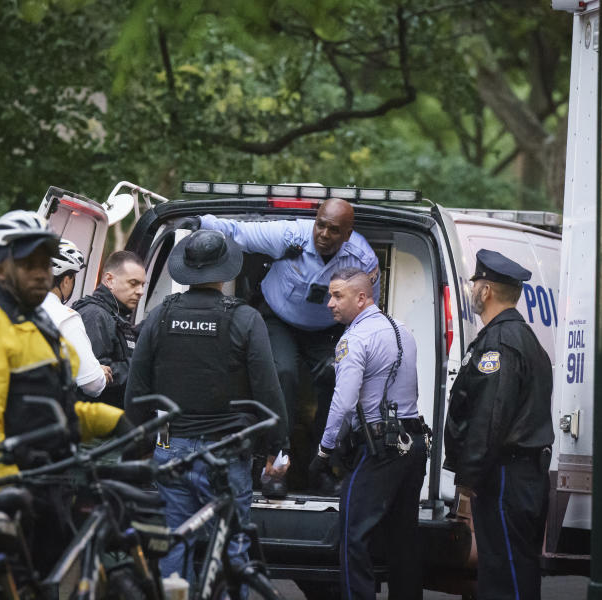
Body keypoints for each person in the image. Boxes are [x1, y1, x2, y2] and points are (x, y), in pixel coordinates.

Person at [124, 229, 289, 584]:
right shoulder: (246, 320)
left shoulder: (159, 316)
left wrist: (137, 446)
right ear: (226, 271)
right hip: (226, 450)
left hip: (169, 445)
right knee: (231, 548)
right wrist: (279, 446)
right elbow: (267, 388)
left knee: (173, 542)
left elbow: (137, 388)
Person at [188, 198, 380, 494]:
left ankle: (324, 466)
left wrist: (353, 349)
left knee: (340, 379)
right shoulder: (292, 235)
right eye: (321, 225)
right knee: (285, 374)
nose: (324, 235)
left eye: (334, 230)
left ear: (348, 233)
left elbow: (365, 312)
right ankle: (276, 463)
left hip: (325, 330)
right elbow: (239, 232)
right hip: (278, 318)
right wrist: (200, 222)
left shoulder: (363, 260)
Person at [0, 211, 128, 483]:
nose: (42, 274)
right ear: (2, 268)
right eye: (30, 264)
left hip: (50, 480)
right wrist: (3, 490)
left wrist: (111, 421)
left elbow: (54, 410)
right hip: (10, 492)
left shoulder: (39, 324)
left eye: (45, 264)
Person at [308, 267, 426, 600]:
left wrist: (324, 450)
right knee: (404, 537)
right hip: (413, 443)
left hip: (381, 447)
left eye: (337, 295)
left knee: (352, 533)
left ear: (362, 298)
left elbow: (343, 401)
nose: (330, 303)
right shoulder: (402, 329)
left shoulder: (355, 339)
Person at [443, 249, 554, 600]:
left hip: (506, 474)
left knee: (504, 570)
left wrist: (469, 476)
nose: (473, 288)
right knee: (511, 567)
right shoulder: (523, 339)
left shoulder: (499, 343)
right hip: (519, 472)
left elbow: (490, 415)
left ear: (487, 290)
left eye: (476, 282)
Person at [73, 250, 145, 408]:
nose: (141, 291)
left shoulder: (114, 315)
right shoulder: (95, 315)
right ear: (109, 280)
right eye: (133, 283)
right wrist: (142, 364)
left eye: (142, 285)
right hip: (97, 421)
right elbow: (95, 376)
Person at [40, 238, 111, 398]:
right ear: (66, 280)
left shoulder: (13, 307)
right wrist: (100, 373)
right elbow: (92, 384)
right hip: (45, 415)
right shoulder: (65, 318)